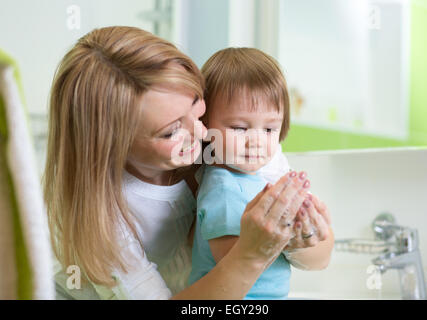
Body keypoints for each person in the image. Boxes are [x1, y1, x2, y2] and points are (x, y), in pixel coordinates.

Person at [45, 26, 332, 300]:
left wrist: (301, 241)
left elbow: (319, 259)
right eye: (171, 131)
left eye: (197, 105)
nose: (203, 133)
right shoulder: (104, 222)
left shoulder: (236, 139)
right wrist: (253, 254)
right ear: (114, 146)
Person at [188, 48, 333, 299]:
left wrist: (304, 231)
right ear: (205, 125)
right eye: (239, 128)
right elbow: (233, 261)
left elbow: (319, 258)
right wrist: (286, 235)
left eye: (268, 129)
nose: (255, 141)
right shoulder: (223, 188)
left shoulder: (263, 178)